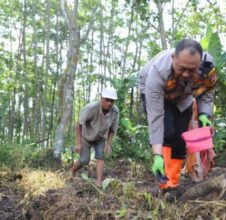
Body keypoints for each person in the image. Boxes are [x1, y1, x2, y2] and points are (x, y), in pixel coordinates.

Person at [138, 39, 217, 191]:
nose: (186, 74)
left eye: (192, 70)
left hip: (183, 95)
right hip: (158, 94)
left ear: (200, 63)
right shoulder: (157, 72)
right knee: (166, 131)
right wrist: (157, 156)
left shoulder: (208, 68)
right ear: (173, 58)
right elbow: (155, 117)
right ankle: (164, 183)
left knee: (180, 137)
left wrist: (204, 114)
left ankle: (172, 182)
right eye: (182, 68)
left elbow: (208, 91)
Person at [71, 87, 119, 186]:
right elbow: (79, 124)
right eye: (107, 100)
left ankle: (98, 182)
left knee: (101, 157)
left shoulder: (115, 111)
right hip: (86, 137)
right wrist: (79, 143)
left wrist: (109, 144)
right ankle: (72, 171)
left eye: (112, 101)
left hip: (101, 138)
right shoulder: (91, 108)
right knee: (84, 160)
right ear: (101, 98)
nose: (109, 103)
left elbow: (112, 129)